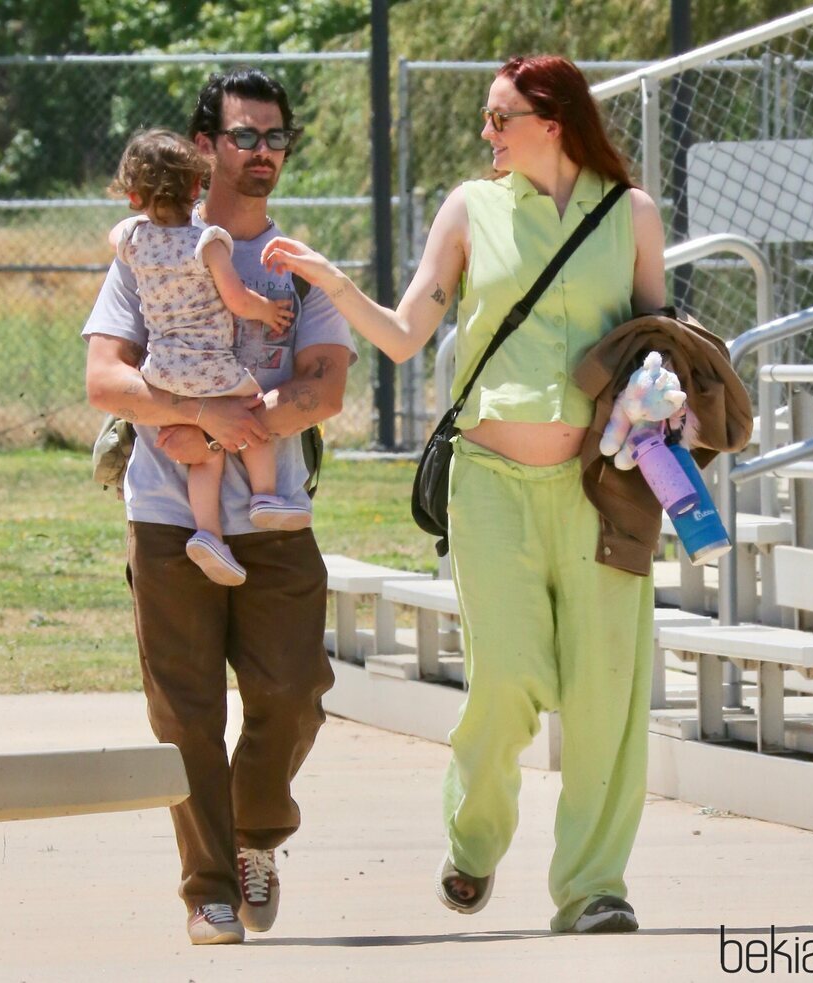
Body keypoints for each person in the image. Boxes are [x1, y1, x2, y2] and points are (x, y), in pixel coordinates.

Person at [263, 54, 666, 934]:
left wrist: (662, 396)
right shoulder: (470, 208)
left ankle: (594, 887)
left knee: (605, 690)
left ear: (551, 120)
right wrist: (336, 286)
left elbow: (653, 338)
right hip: (489, 485)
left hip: (605, 485)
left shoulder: (630, 213)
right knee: (510, 676)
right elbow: (408, 335)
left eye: (500, 117)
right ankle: (473, 838)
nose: (486, 133)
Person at [83, 68, 356, 946]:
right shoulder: (145, 248)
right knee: (186, 709)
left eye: (277, 137)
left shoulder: (298, 267)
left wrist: (243, 423)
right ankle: (208, 888)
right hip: (169, 516)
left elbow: (323, 389)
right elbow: (104, 377)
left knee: (296, 691)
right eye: (245, 136)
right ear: (204, 149)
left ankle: (254, 830)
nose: (264, 152)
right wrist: (196, 413)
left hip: (275, 518)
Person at [108, 127, 309, 588]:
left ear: (134, 195)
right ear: (197, 186)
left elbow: (115, 231)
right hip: (211, 365)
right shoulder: (208, 241)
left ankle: (208, 534)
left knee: (206, 456)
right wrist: (268, 310)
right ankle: (265, 497)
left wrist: (137, 215)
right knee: (250, 410)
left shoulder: (134, 239)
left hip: (161, 370)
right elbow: (237, 299)